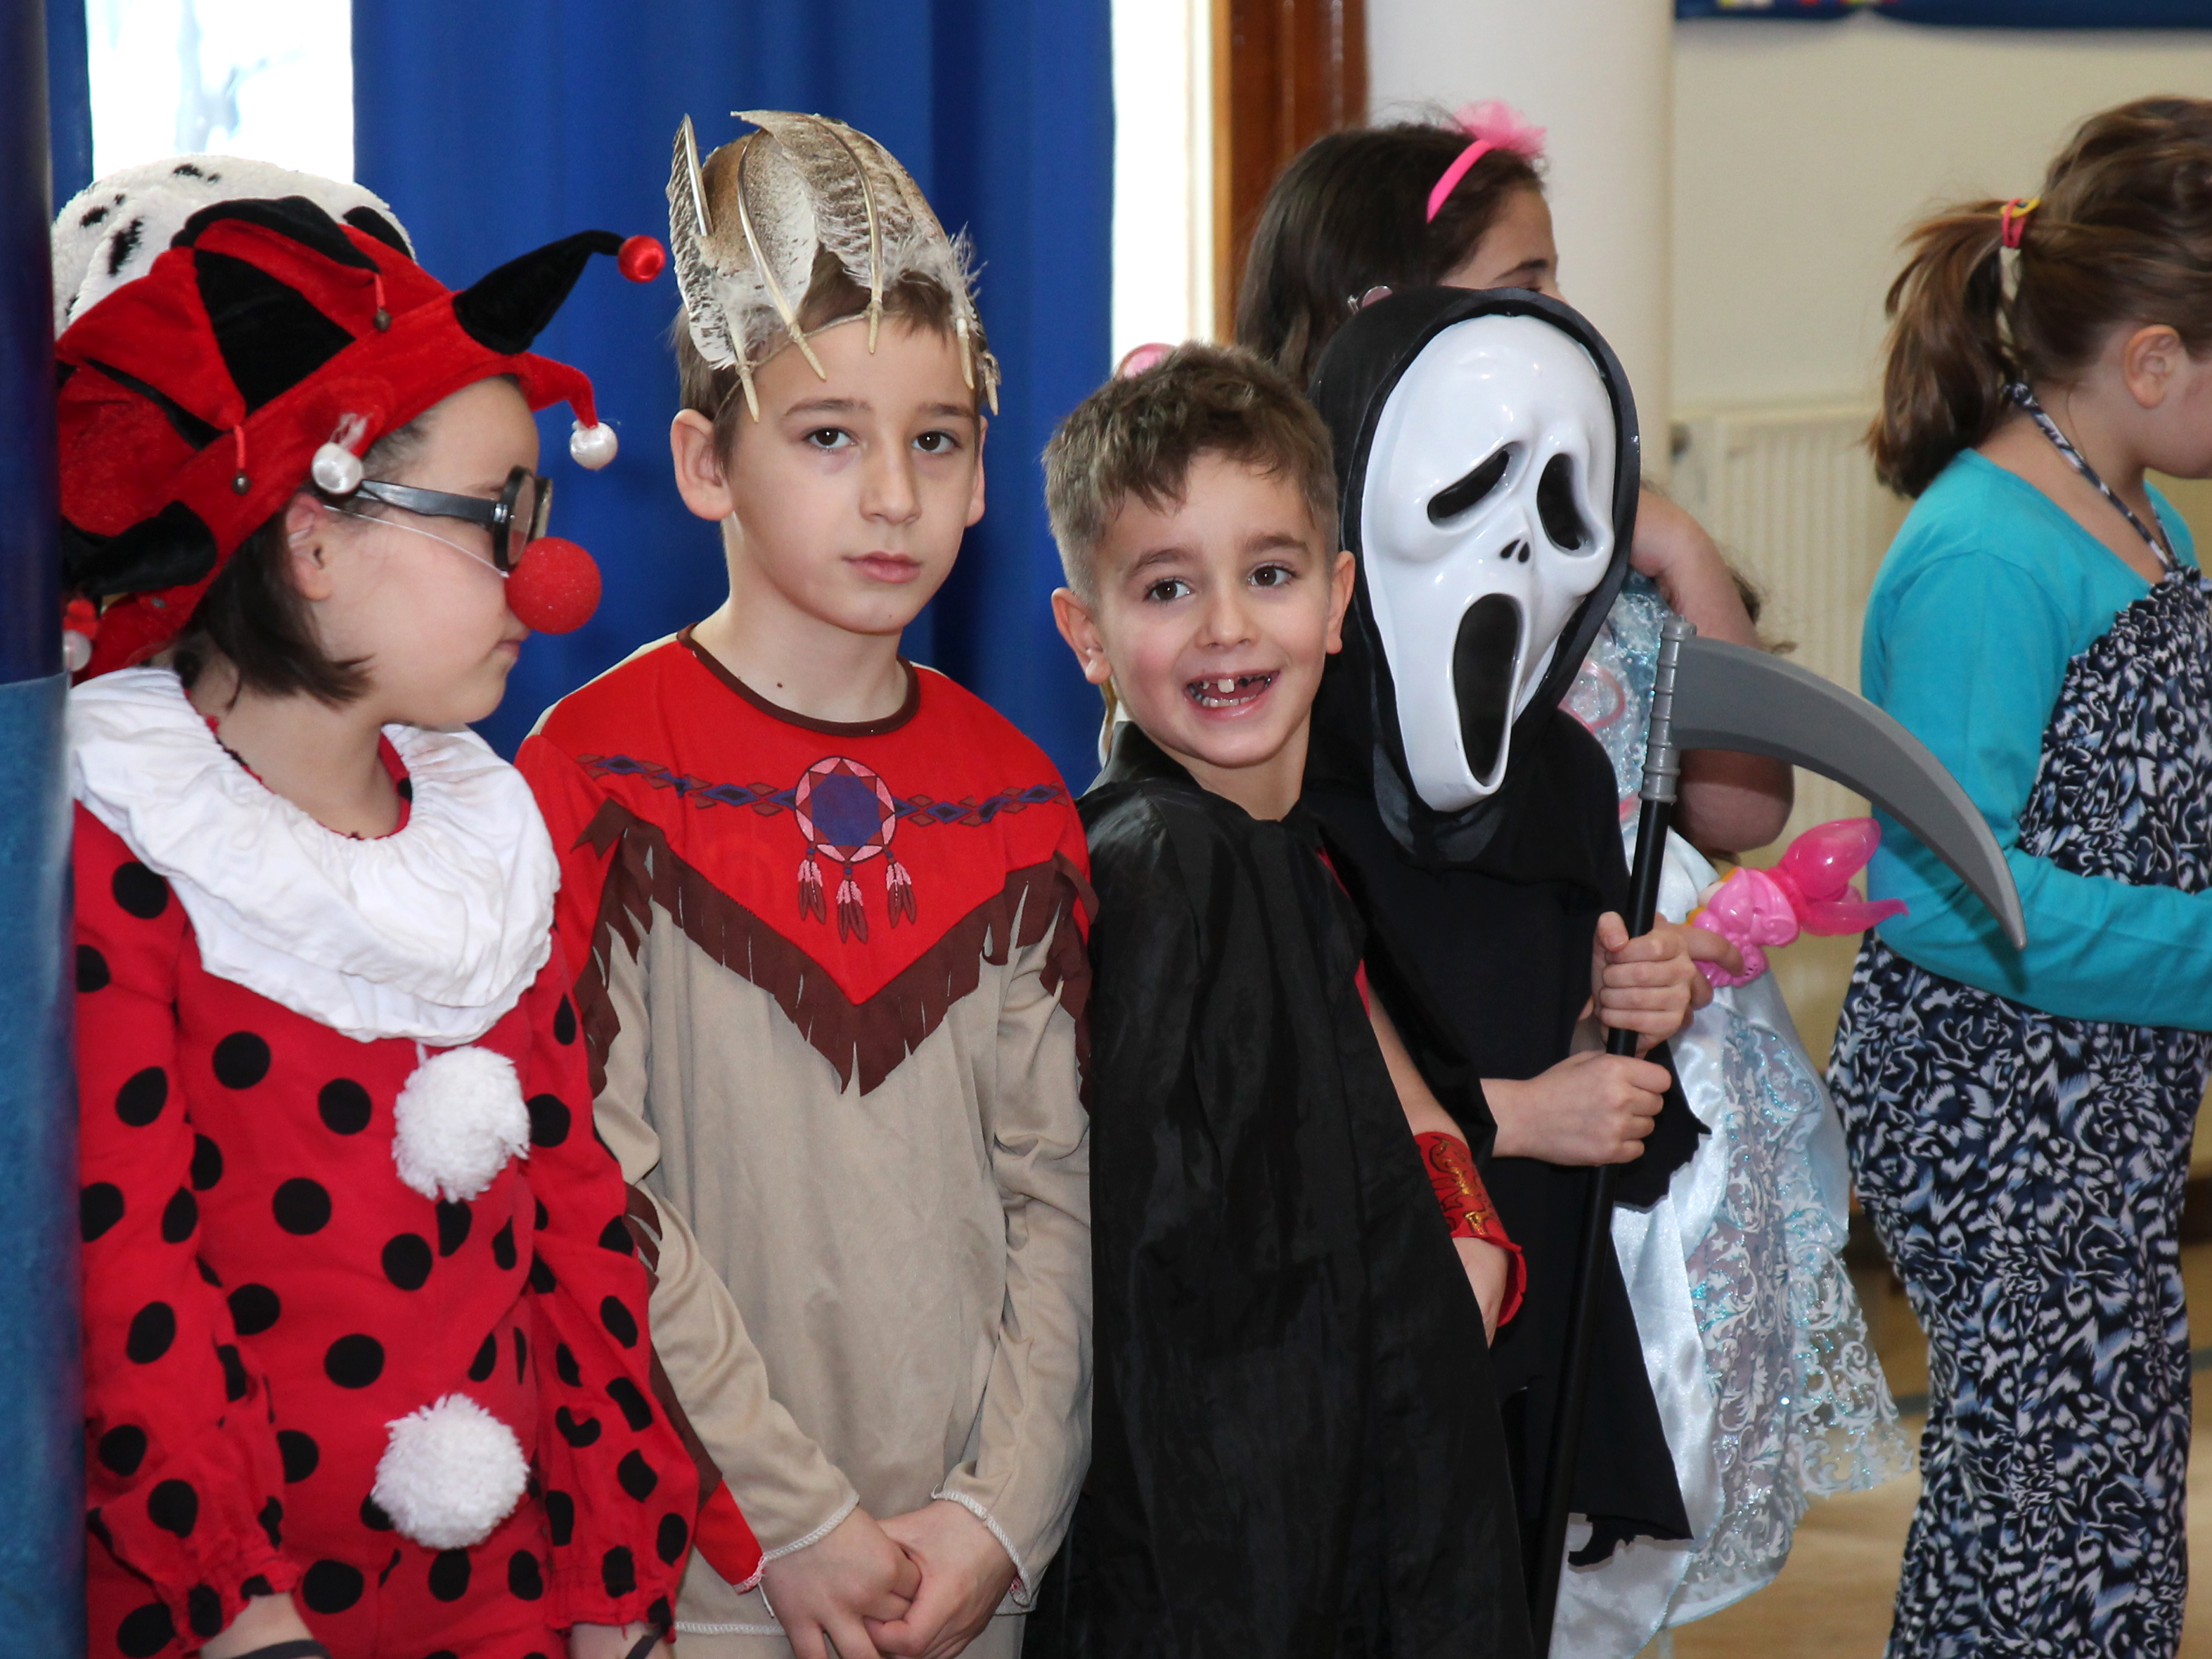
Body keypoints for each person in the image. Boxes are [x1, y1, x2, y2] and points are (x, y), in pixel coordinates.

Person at [1242, 108, 1910, 1655]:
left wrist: (1665, 544)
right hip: (1429, 1137)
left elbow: (1729, 806)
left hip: (1585, 1125)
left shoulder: (1572, 654)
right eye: (1518, 287)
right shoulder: (1294, 666)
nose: (1556, 320)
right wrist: (1499, 1109)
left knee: (1566, 1533)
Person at [59, 157, 693, 1659]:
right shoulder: (129, 840)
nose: (546, 578)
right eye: (496, 517)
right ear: (315, 536)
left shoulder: (488, 847)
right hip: (243, 1616)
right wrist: (246, 1611)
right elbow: (126, 1267)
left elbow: (579, 1230)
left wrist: (618, 1579)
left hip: (508, 1613)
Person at [1827, 96, 2212, 1659]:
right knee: (2040, 1521)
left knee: (2114, 1505)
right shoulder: (1987, 557)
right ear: (2154, 362)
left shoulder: (2132, 512)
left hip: (2097, 1108)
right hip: (1998, 1117)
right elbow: (1946, 890)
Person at [519, 113, 1090, 1659]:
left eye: (938, 439)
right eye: (830, 436)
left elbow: (1058, 1197)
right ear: (706, 463)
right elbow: (592, 1187)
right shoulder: (597, 775)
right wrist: (790, 1518)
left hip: (964, 1581)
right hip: (703, 1579)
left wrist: (1001, 1517)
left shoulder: (1019, 803)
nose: (894, 493)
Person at [1028, 343, 1546, 1657]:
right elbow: (1203, 1343)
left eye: (1269, 574)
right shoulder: (1170, 871)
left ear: (1338, 598)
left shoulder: (1290, 859)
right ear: (1086, 635)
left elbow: (1394, 1141)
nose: (1226, 627)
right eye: (1166, 587)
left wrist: (1466, 1239)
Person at [1235, 101, 1790, 859]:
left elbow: (1744, 814)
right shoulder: (1305, 568)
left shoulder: (1597, 532)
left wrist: (1683, 550)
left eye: (1555, 277)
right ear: (1390, 317)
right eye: (1525, 285)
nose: (1562, 311)